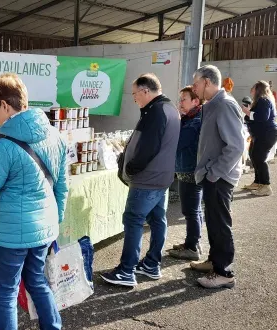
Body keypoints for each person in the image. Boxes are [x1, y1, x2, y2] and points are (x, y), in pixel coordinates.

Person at [0, 73, 68, 330]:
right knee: (37, 281)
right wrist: (55, 220)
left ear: (5, 105)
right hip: (44, 228)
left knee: (6, 293)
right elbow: (62, 186)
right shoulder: (55, 135)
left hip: (12, 235)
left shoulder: (3, 147)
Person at [100, 73, 180, 287]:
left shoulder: (156, 112)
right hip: (161, 177)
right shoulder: (170, 109)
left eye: (135, 94)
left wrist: (132, 167)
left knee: (134, 220)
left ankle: (126, 270)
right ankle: (152, 264)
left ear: (146, 91)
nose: (134, 98)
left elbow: (148, 147)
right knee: (157, 219)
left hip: (147, 178)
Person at [191, 65, 245, 289]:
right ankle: (214, 261)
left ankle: (224, 271)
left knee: (220, 222)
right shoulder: (213, 105)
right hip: (213, 175)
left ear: (207, 82)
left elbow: (236, 146)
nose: (194, 88)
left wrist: (214, 173)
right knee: (213, 220)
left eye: (196, 83)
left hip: (219, 177)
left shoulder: (224, 104)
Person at [169, 86, 204, 261]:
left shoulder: (195, 121)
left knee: (191, 211)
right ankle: (193, 243)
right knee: (194, 211)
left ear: (195, 101)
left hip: (190, 171)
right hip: (189, 170)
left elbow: (178, 142)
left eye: (184, 99)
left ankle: (191, 248)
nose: (180, 103)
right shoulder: (190, 118)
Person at [241, 81, 277, 197]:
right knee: (253, 155)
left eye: (253, 88)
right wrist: (249, 113)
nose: (251, 90)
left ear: (258, 90)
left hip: (267, 133)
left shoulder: (264, 100)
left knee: (259, 158)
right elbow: (253, 118)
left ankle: (266, 185)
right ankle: (258, 182)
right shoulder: (260, 101)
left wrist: (247, 112)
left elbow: (262, 117)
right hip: (260, 134)